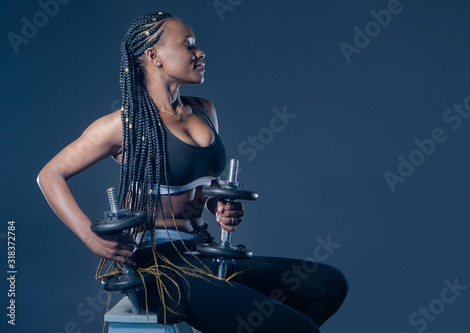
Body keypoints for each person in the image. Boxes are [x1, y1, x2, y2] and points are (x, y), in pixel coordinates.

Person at [37, 12, 348, 333]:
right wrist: (90, 236)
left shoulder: (205, 110)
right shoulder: (121, 125)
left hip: (202, 249)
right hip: (158, 266)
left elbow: (206, 184)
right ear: (153, 56)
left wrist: (220, 207)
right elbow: (50, 174)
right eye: (188, 46)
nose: (199, 53)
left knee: (328, 285)